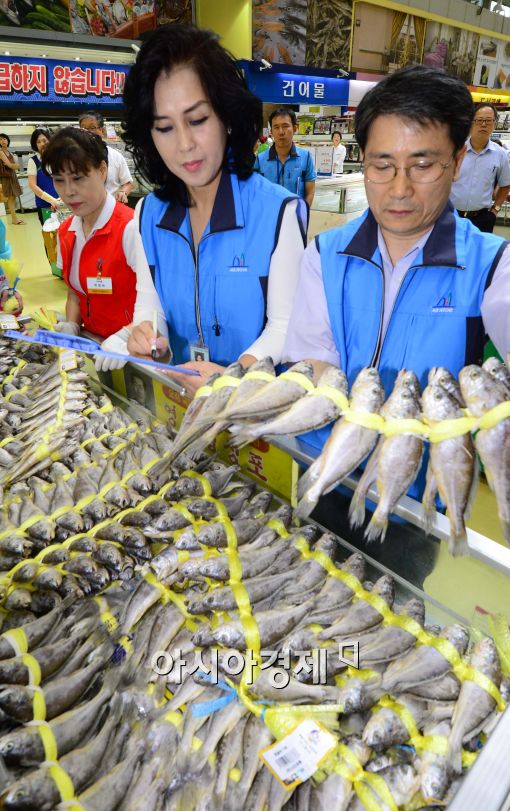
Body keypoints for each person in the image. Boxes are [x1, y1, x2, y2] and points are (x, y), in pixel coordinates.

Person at [284, 64, 510, 405]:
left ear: (458, 160)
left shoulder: (494, 268)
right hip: (326, 453)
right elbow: (310, 359)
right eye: (382, 165)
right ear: (363, 159)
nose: (400, 189)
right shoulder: (325, 253)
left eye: (422, 166)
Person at [123, 24, 307, 395]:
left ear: (226, 116)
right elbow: (151, 304)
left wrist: (231, 377)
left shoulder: (278, 213)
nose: (185, 144)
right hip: (182, 396)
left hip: (252, 411)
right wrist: (148, 334)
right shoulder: (147, 215)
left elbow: (285, 326)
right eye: (164, 128)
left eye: (197, 120)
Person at [41, 127, 165, 371]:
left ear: (102, 171)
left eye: (78, 178)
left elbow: (160, 304)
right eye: (59, 180)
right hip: (94, 348)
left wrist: (125, 337)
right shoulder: (67, 231)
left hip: (134, 355)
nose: (69, 191)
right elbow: (74, 292)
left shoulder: (130, 228)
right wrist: (72, 325)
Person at [450, 102, 510, 233]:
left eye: (488, 120)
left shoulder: (500, 154)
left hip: (482, 219)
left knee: (478, 253)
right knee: (448, 252)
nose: (483, 124)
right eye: (479, 120)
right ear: (471, 122)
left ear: (494, 123)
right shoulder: (456, 150)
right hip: (451, 216)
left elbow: (505, 185)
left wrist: (495, 210)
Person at [254, 107, 316, 207]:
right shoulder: (260, 160)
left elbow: (310, 192)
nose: (281, 132)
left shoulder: (306, 157)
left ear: (295, 128)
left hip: (296, 217)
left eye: (285, 126)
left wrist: (303, 215)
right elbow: (255, 192)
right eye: (276, 127)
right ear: (271, 131)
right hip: (269, 218)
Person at [78, 111, 134, 204]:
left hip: (111, 208)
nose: (87, 132)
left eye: (92, 127)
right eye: (83, 128)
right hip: (85, 210)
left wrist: (123, 192)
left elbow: (128, 183)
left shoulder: (115, 156)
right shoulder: (74, 157)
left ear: (102, 130)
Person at [27, 128, 61, 224]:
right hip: (45, 205)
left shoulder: (57, 158)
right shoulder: (33, 161)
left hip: (62, 201)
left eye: (44, 140)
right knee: (50, 234)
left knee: (65, 233)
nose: (42, 144)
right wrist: (52, 200)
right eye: (38, 142)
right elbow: (32, 185)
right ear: (35, 145)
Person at [0, 134, 24, 226]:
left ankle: (15, 218)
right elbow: (11, 165)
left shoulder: (9, 152)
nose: (3, 141)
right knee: (10, 197)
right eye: (0, 139)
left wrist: (13, 165)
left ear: (8, 140)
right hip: (7, 177)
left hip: (12, 175)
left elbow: (15, 165)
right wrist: (13, 165)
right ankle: (14, 219)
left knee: (13, 197)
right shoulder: (1, 152)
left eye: (4, 139)